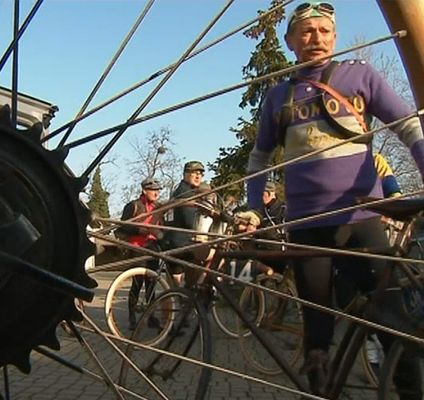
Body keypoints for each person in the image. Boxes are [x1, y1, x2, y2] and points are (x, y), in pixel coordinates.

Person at [244, 2, 424, 397]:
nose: (316, 39)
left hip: (362, 216)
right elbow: (258, 159)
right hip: (306, 224)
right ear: (290, 41)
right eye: (306, 32)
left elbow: (408, 125)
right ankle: (321, 390)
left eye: (324, 30)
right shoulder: (278, 96)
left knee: (393, 320)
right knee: (317, 327)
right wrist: (255, 207)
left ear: (335, 36)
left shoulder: (360, 75)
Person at [115, 177, 164, 330]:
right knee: (137, 284)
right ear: (144, 190)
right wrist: (140, 230)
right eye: (153, 190)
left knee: (152, 285)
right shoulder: (133, 206)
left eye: (158, 190)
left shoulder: (159, 208)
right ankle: (132, 317)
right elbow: (122, 226)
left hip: (153, 248)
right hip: (137, 249)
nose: (156, 193)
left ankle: (152, 317)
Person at [164, 161, 208, 287]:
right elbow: (190, 222)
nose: (198, 176)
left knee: (176, 285)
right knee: (213, 253)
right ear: (185, 174)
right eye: (194, 173)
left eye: (200, 174)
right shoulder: (187, 194)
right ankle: (200, 287)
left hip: (171, 241)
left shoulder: (178, 191)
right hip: (182, 243)